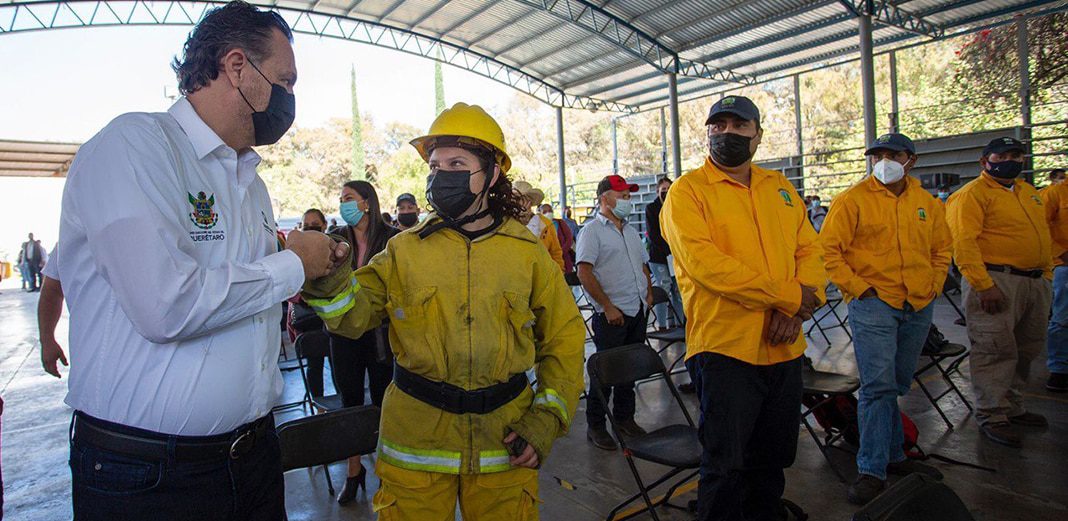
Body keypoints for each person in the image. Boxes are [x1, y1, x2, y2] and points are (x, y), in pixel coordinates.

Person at [55, 4, 346, 519]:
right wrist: (292, 265)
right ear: (237, 66)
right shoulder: (135, 146)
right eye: (285, 80)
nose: (290, 98)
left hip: (252, 454)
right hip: (150, 475)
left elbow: (239, 286)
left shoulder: (250, 184)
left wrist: (307, 264)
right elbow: (167, 305)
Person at [302, 102, 584, 520]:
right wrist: (328, 274)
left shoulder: (527, 254)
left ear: (491, 174)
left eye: (456, 162)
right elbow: (352, 315)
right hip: (415, 445)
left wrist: (546, 419)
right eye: (434, 165)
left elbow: (564, 338)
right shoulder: (403, 249)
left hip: (503, 442)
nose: (440, 175)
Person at [661, 95, 825, 521]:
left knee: (772, 460)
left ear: (757, 135)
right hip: (725, 348)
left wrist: (797, 307)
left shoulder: (781, 188)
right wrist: (788, 297)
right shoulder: (688, 192)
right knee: (725, 463)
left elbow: (810, 248)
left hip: (785, 347)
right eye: (719, 126)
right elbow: (708, 267)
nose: (727, 133)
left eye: (738, 125)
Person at [820, 133, 952, 504]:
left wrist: (934, 283)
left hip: (918, 303)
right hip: (875, 304)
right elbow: (829, 252)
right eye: (877, 155)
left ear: (912, 160)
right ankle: (872, 468)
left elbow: (942, 248)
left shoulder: (926, 203)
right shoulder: (852, 201)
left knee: (895, 383)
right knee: (877, 387)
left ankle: (894, 454)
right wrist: (860, 289)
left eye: (892, 154)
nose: (883, 161)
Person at [946, 136, 1052, 448]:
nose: (1011, 160)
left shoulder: (1029, 194)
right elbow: (962, 243)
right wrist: (983, 285)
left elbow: (1042, 234)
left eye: (1016, 155)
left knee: (1026, 348)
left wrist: (1045, 275)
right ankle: (991, 413)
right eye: (1002, 155)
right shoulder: (971, 195)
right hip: (996, 281)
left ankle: (1013, 406)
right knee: (995, 348)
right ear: (985, 161)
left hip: (1034, 281)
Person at [328, 179, 399, 504]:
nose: (343, 203)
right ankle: (354, 471)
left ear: (367, 202)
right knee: (350, 402)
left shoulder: (392, 239)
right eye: (341, 198)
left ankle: (387, 471)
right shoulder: (336, 240)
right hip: (344, 335)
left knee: (385, 403)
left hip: (380, 336)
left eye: (349, 198)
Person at [576, 174, 654, 450]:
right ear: (604, 198)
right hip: (612, 314)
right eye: (622, 195)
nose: (627, 200)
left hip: (637, 309)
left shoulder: (631, 231)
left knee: (629, 371)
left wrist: (648, 291)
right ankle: (596, 425)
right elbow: (584, 271)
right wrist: (607, 306)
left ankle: (625, 419)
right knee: (604, 373)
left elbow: (642, 265)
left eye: (628, 195)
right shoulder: (592, 232)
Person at [285, 209, 329, 398]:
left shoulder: (336, 248)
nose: (311, 228)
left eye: (315, 224)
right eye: (307, 225)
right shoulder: (295, 255)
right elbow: (289, 289)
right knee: (314, 363)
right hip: (310, 320)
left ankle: (342, 406)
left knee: (340, 364)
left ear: (324, 225)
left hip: (334, 320)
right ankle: (318, 404)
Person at [645, 176, 685, 330]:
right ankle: (662, 325)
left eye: (669, 189)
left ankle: (679, 322)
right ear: (657, 191)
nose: (666, 192)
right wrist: (669, 249)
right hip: (659, 256)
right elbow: (653, 234)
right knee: (664, 288)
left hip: (675, 256)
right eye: (663, 190)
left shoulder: (677, 207)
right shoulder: (651, 209)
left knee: (677, 290)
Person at [1041, 168, 1068, 392]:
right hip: (1064, 266)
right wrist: (1060, 253)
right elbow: (1040, 227)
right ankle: (1059, 369)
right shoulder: (1054, 194)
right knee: (1062, 317)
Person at [515, 181, 565, 271]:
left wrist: (559, 275)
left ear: (529, 201)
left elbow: (556, 253)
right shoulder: (506, 223)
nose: (516, 202)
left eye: (519, 199)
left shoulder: (545, 224)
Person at [541, 204, 575, 272]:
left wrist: (560, 252)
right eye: (545, 212)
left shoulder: (560, 223)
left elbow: (569, 239)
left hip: (564, 261)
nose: (548, 213)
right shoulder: (538, 226)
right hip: (546, 262)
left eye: (550, 211)